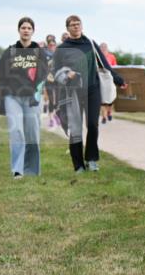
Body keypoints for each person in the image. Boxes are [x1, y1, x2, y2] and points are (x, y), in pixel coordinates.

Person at [53, 15, 125, 173]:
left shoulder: (91, 44)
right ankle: (78, 165)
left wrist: (118, 79)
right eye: (72, 25)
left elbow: (104, 65)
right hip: (72, 93)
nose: (76, 27)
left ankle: (91, 159)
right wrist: (66, 75)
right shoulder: (62, 49)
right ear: (67, 28)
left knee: (93, 125)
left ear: (82, 26)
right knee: (76, 129)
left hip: (92, 89)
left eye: (78, 24)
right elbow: (55, 72)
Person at [0, 19, 50, 177]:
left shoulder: (39, 52)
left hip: (32, 98)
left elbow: (43, 76)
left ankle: (31, 170)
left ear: (33, 31)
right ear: (18, 30)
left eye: (29, 28)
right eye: (23, 27)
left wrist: (37, 95)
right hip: (12, 97)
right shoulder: (10, 52)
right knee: (16, 131)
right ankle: (17, 170)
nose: (26, 30)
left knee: (32, 134)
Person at [99, 42, 118, 124]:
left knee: (111, 99)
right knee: (102, 100)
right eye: (102, 47)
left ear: (107, 48)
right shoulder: (97, 57)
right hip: (101, 80)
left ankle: (109, 112)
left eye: (105, 47)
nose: (103, 48)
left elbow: (115, 67)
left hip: (110, 79)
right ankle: (104, 117)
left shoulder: (111, 56)